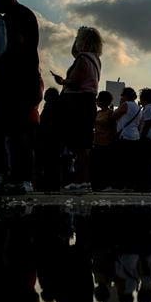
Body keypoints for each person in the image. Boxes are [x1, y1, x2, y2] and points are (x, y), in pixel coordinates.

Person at [0, 0, 41, 195]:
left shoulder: (18, 16)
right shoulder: (16, 15)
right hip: (13, 81)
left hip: (17, 81)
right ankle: (11, 176)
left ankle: (20, 177)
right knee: (2, 130)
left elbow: (16, 46)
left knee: (15, 131)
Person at [51, 26, 102, 192]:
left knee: (77, 144)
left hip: (77, 102)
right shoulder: (95, 59)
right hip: (89, 102)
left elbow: (75, 82)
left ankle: (79, 180)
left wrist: (62, 82)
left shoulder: (81, 58)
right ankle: (85, 181)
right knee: (85, 145)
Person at [113, 87, 141, 190]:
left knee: (121, 162)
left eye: (122, 95)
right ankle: (130, 185)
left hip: (125, 136)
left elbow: (114, 116)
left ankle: (120, 185)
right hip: (135, 136)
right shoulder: (138, 108)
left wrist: (120, 105)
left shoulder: (126, 105)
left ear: (125, 96)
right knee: (131, 163)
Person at [90, 90, 116, 191]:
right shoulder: (98, 113)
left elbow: (113, 129)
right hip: (96, 142)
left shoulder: (110, 113)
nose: (97, 101)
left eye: (99, 99)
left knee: (104, 167)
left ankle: (105, 185)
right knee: (95, 167)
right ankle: (95, 186)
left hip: (106, 144)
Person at [137, 87, 151, 191]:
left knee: (147, 162)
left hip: (147, 138)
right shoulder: (149, 107)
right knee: (148, 162)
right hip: (149, 138)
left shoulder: (149, 108)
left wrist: (142, 136)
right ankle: (149, 183)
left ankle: (149, 184)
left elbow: (147, 124)